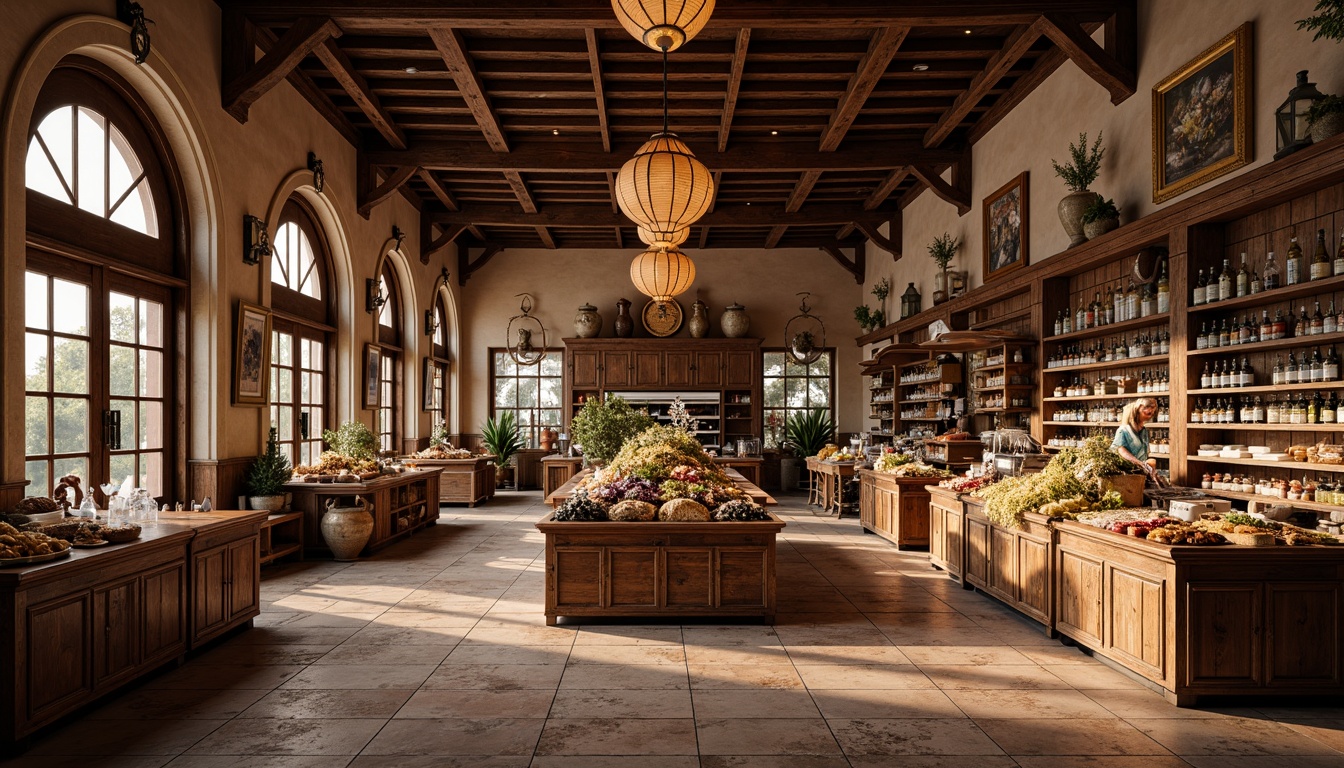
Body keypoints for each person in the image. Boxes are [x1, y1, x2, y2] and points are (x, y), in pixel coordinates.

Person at [1112, 397, 1167, 487]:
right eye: (1149, 412)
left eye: (1153, 413)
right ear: (1139, 409)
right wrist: (1139, 463)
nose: (1151, 415)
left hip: (1139, 474)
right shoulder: (1124, 430)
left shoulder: (1144, 431)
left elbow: (1144, 453)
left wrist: (1149, 468)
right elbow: (1121, 450)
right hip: (1125, 474)